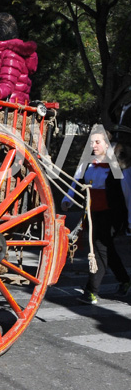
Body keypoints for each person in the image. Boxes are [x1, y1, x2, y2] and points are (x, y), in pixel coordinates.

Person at [62, 129, 131, 304]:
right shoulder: (87, 163)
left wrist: (129, 220)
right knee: (107, 249)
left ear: (107, 145)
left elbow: (128, 194)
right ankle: (125, 281)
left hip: (112, 214)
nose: (93, 146)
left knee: (99, 249)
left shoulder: (117, 164)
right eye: (92, 142)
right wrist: (67, 200)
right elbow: (75, 182)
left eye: (97, 142)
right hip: (93, 213)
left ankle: (91, 291)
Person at [0, 12, 38, 105]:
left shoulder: (10, 55)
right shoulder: (5, 52)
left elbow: (8, 85)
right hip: (5, 105)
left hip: (8, 108)